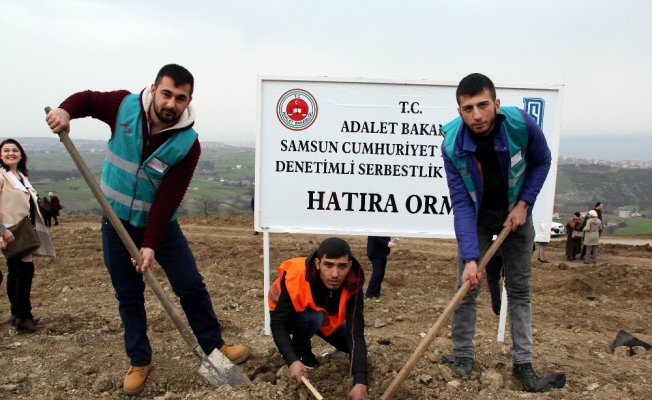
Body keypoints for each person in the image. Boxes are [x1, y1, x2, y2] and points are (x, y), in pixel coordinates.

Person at [45, 64, 249, 395]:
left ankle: (215, 348)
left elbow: (169, 197)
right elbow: (88, 99)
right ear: (154, 89)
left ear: (188, 101)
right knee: (129, 294)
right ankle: (140, 359)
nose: (171, 104)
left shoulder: (187, 143)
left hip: (162, 228)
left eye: (180, 98)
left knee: (191, 285)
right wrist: (65, 111)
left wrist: (151, 242)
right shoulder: (123, 107)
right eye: (166, 94)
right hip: (116, 222)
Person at [441, 73, 552, 392]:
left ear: (496, 104)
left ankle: (523, 362)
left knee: (518, 288)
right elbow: (461, 202)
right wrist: (472, 258)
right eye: (468, 108)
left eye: (483, 105)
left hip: (516, 213)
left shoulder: (521, 125)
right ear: (459, 111)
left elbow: (542, 160)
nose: (476, 114)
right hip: (478, 215)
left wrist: (525, 204)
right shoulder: (452, 145)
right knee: (467, 283)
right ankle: (462, 353)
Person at [268, 237, 368, 400]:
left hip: (323, 317)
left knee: (355, 352)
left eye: (341, 266)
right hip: (289, 317)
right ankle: (302, 352)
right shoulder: (298, 275)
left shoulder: (353, 284)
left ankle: (325, 352)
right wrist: (292, 359)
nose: (335, 274)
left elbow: (355, 334)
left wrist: (360, 382)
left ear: (349, 266)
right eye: (328, 264)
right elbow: (278, 323)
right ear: (317, 263)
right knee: (312, 318)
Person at [0, 139, 56, 332]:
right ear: (0, 155)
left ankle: (17, 313)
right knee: (25, 271)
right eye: (6, 150)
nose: (10, 153)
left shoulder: (20, 175)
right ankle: (24, 317)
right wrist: (2, 230)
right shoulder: (1, 175)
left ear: (21, 154)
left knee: (15, 271)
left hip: (22, 229)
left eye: (15, 150)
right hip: (10, 231)